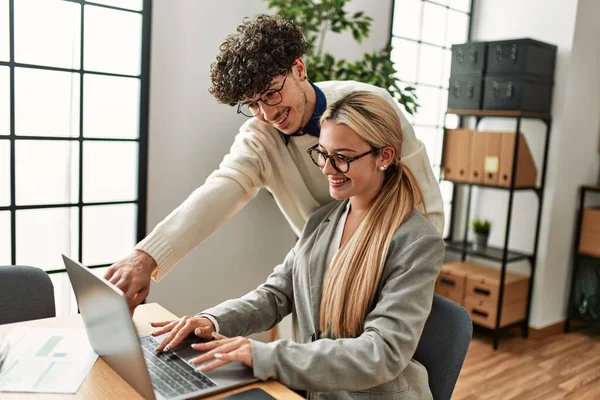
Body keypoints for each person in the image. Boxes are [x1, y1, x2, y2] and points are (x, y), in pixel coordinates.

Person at [104, 15, 444, 312]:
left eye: (270, 93)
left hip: (389, 266)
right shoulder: (259, 137)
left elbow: (423, 199)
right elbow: (220, 191)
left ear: (299, 68)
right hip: (320, 270)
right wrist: (147, 256)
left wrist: (414, 271)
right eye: (252, 104)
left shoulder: (369, 105)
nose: (267, 114)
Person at [150, 91, 444, 399]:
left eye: (342, 157)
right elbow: (277, 295)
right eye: (323, 154)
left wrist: (264, 355)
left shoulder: (417, 241)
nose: (328, 170)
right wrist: (211, 320)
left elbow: (381, 353)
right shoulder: (322, 221)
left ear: (384, 156)